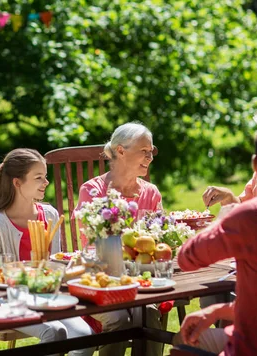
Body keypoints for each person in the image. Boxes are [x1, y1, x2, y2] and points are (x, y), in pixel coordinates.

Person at [175, 122, 257, 356]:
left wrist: (225, 217)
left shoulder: (253, 216)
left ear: (256, 165)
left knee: (184, 342)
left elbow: (186, 258)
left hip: (256, 347)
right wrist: (217, 311)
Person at [0, 148, 96, 356]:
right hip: (12, 301)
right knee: (55, 332)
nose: (46, 183)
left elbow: (55, 263)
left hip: (48, 297)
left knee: (86, 336)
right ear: (17, 183)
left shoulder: (50, 215)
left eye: (45, 177)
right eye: (39, 178)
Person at [74, 122, 163, 356]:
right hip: (101, 278)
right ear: (121, 151)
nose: (149, 157)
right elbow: (91, 241)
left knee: (149, 314)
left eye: (151, 151)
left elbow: (159, 240)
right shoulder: (92, 190)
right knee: (122, 319)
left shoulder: (151, 192)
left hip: (141, 277)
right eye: (144, 151)